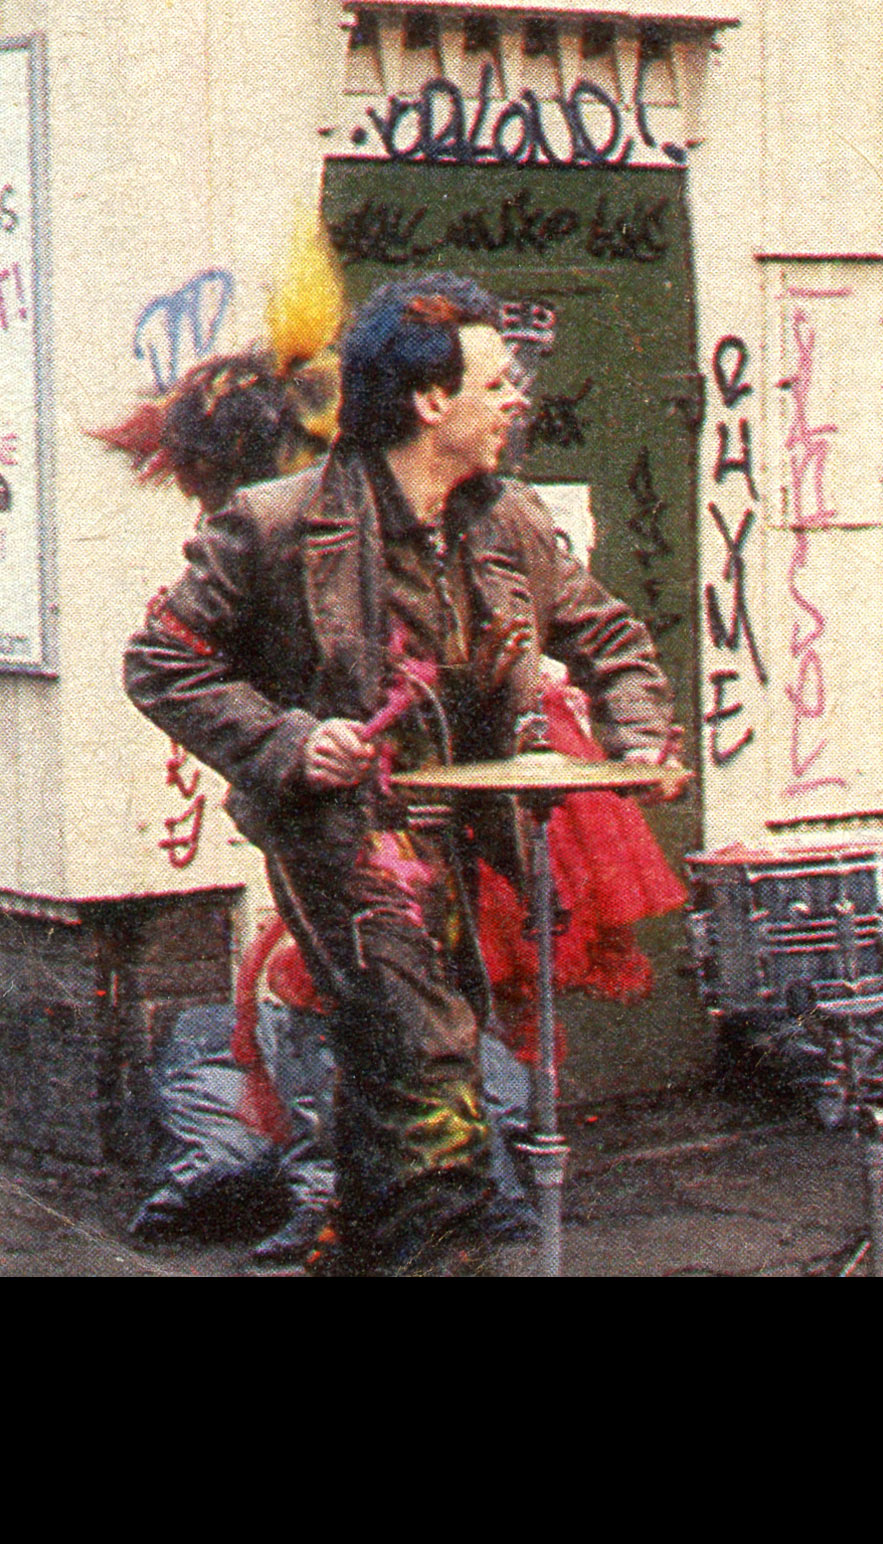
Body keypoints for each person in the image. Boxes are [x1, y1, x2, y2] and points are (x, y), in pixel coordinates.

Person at [124, 272, 687, 1277]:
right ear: (431, 401)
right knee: (427, 1061)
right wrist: (290, 741)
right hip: (344, 835)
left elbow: (608, 637)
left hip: (465, 834)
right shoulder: (277, 523)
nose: (515, 400)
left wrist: (640, 738)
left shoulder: (508, 520)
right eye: (496, 383)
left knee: (406, 1060)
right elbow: (162, 662)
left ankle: (365, 1251)